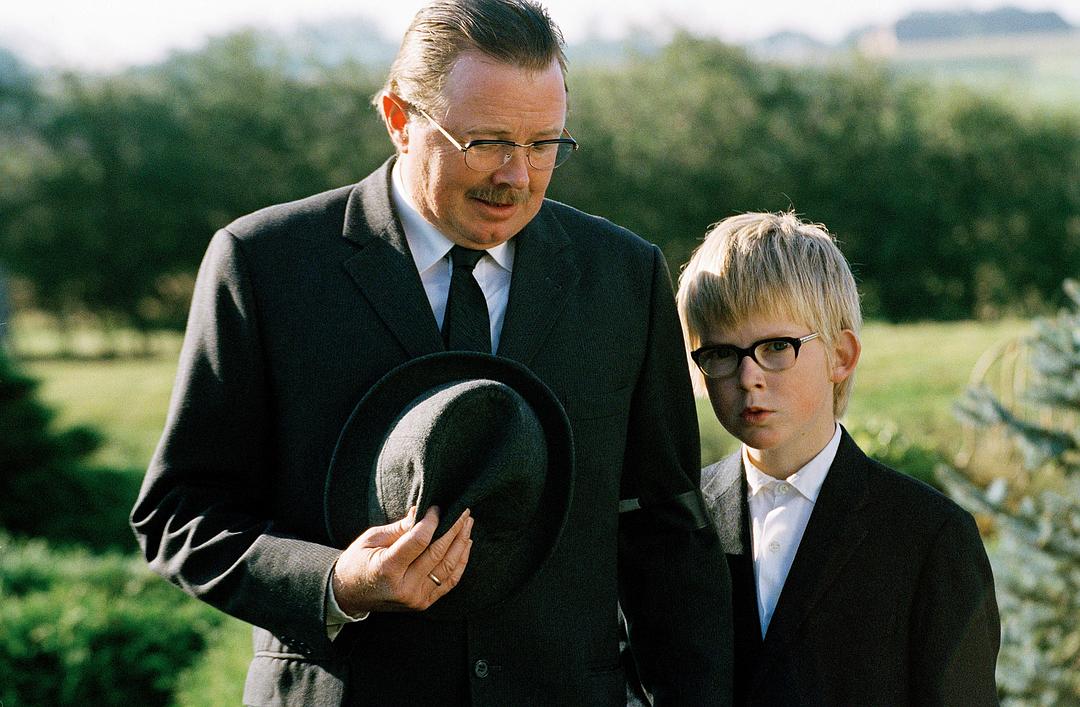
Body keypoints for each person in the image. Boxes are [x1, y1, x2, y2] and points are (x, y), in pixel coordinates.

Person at [130, 1, 732, 704]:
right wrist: (336, 584)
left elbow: (666, 530)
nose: (517, 175)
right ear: (398, 118)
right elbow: (178, 513)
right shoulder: (264, 263)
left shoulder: (624, 275)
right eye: (486, 142)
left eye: (544, 144)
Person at [676, 212, 1000, 705]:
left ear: (841, 356)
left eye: (776, 346)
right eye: (721, 353)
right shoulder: (677, 521)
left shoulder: (929, 537)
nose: (748, 377)